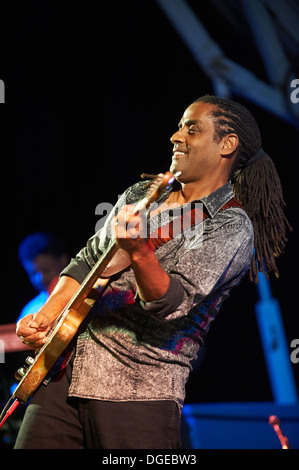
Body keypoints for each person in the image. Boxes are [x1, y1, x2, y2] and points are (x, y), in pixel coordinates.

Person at [14, 95, 291, 449]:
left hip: (137, 392)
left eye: (192, 129)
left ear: (227, 144)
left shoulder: (232, 224)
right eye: (178, 127)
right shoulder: (142, 193)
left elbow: (170, 302)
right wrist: (47, 316)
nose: (176, 136)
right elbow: (87, 260)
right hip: (62, 376)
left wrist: (140, 251)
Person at [17, 232, 70, 321]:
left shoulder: (87, 295)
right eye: (33, 273)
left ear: (63, 260)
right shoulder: (30, 311)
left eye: (46, 269)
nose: (41, 278)